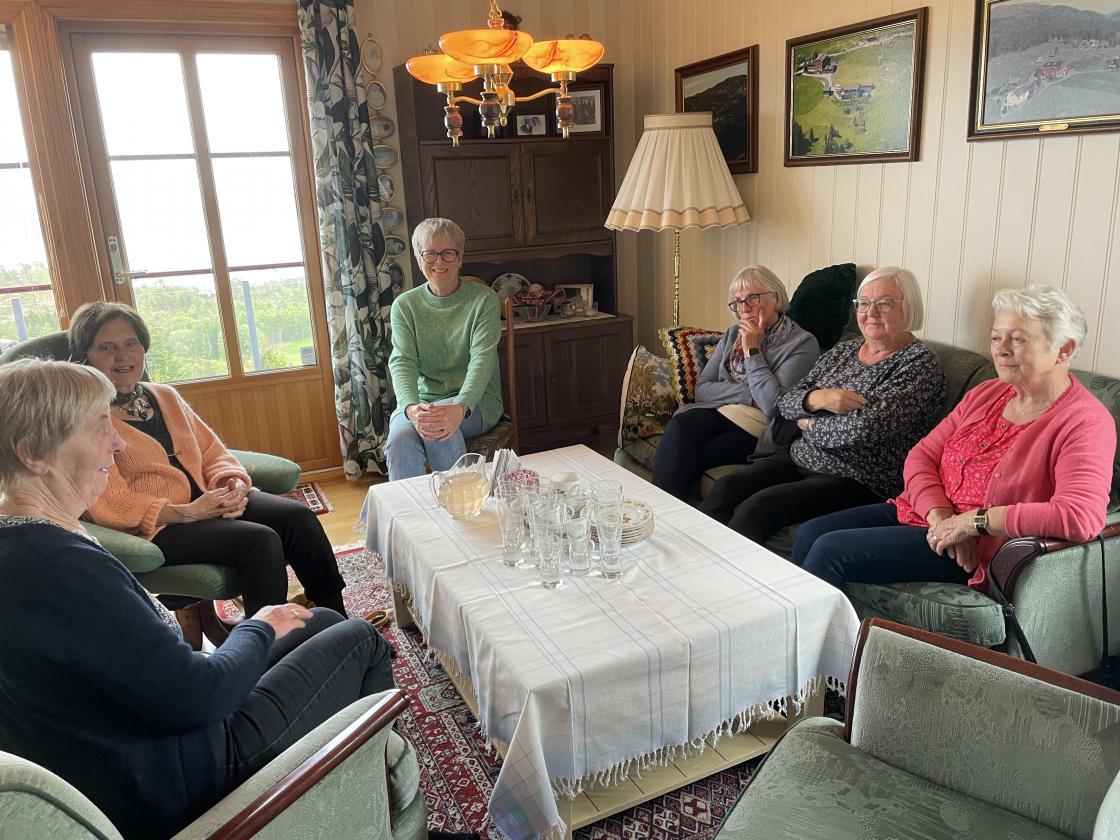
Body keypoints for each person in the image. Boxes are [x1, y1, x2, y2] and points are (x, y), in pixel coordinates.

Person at [0, 358, 395, 840]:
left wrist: (262, 627)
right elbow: (202, 696)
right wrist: (260, 625)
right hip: (190, 772)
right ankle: (383, 814)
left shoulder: (24, 543)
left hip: (152, 740)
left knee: (324, 620)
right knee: (361, 640)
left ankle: (342, 778)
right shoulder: (61, 569)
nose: (118, 444)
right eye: (100, 425)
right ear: (33, 453)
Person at [793, 286, 1115, 594]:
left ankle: (826, 635)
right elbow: (921, 456)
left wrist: (972, 523)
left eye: (1017, 339)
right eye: (996, 337)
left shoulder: (1084, 422)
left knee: (831, 550)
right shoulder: (988, 393)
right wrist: (942, 518)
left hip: (978, 547)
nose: (1001, 349)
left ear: (1064, 349)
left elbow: (1080, 516)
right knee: (809, 533)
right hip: (928, 515)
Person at [68, 301, 347, 617]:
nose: (123, 355)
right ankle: (268, 641)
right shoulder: (84, 418)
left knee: (299, 518)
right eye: (107, 347)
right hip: (158, 527)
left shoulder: (164, 395)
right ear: (85, 356)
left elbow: (212, 452)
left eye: (131, 343)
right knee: (261, 541)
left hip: (208, 501)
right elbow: (108, 503)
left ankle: (335, 617)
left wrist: (232, 484)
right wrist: (187, 512)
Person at [701, 266, 945, 545]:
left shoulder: (918, 363)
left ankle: (728, 573)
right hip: (800, 458)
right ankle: (688, 560)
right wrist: (816, 399)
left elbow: (862, 430)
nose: (871, 312)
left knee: (757, 508)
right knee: (727, 487)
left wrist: (808, 422)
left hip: (856, 477)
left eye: (884, 303)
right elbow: (785, 403)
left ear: (909, 308)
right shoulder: (844, 350)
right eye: (863, 303)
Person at [651, 265, 819, 499]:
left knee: (690, 456)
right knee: (681, 426)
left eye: (752, 298)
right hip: (717, 410)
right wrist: (749, 394)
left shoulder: (801, 344)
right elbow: (703, 389)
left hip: (758, 428)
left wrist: (752, 351)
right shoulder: (732, 335)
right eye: (738, 302)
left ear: (777, 299)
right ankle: (663, 510)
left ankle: (665, 511)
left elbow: (773, 405)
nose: (744, 308)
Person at [387, 217, 503, 480]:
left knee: (439, 429)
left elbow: (483, 359)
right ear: (419, 259)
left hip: (477, 402)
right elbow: (403, 361)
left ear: (460, 258)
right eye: (429, 253)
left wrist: (461, 406)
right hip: (424, 402)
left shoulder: (484, 299)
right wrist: (410, 408)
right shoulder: (405, 306)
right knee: (400, 438)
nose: (439, 261)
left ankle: (458, 502)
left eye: (448, 253)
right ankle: (408, 507)